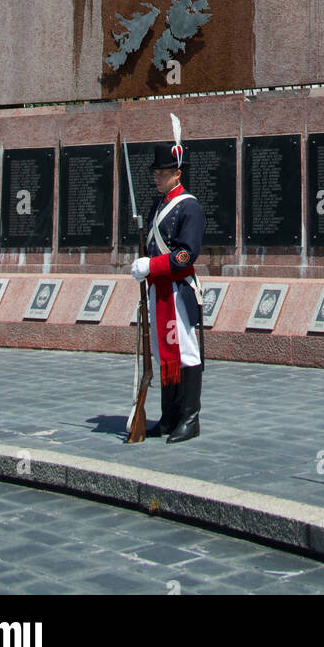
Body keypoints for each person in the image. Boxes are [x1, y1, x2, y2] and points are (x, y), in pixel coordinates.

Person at [129, 140, 204, 443]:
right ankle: (169, 416)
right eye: (155, 172)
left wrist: (151, 265)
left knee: (184, 352)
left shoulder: (189, 206)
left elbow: (186, 254)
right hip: (158, 290)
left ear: (176, 173)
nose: (156, 177)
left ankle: (190, 418)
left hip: (177, 290)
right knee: (163, 354)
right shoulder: (158, 205)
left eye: (161, 172)